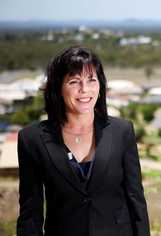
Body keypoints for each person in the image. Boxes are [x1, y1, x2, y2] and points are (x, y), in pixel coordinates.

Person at [16, 45, 150, 236]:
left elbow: (136, 200)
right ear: (58, 88)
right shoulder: (31, 139)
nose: (84, 90)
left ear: (100, 85)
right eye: (74, 82)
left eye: (91, 80)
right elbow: (30, 214)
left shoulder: (122, 131)